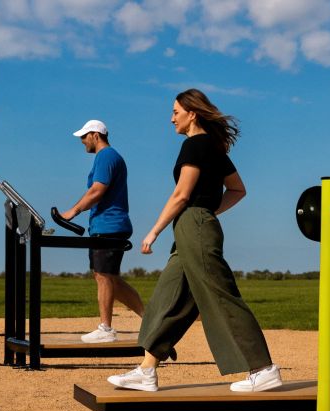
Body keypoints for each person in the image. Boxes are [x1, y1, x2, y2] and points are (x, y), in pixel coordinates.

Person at [107, 89, 281, 393]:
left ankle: (263, 368)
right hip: (196, 225)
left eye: (176, 112)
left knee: (220, 293)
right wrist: (211, 210)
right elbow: (238, 190)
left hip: (193, 226)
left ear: (192, 114)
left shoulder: (194, 145)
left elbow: (182, 195)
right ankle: (147, 371)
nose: (171, 118)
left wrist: (154, 231)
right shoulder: (214, 148)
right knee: (169, 296)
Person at [60, 119, 144, 343]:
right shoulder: (108, 157)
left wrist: (73, 211)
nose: (82, 141)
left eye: (84, 137)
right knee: (109, 278)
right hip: (106, 225)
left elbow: (97, 190)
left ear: (95, 135)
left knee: (104, 276)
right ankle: (150, 321)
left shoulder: (106, 156)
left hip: (109, 225)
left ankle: (106, 329)